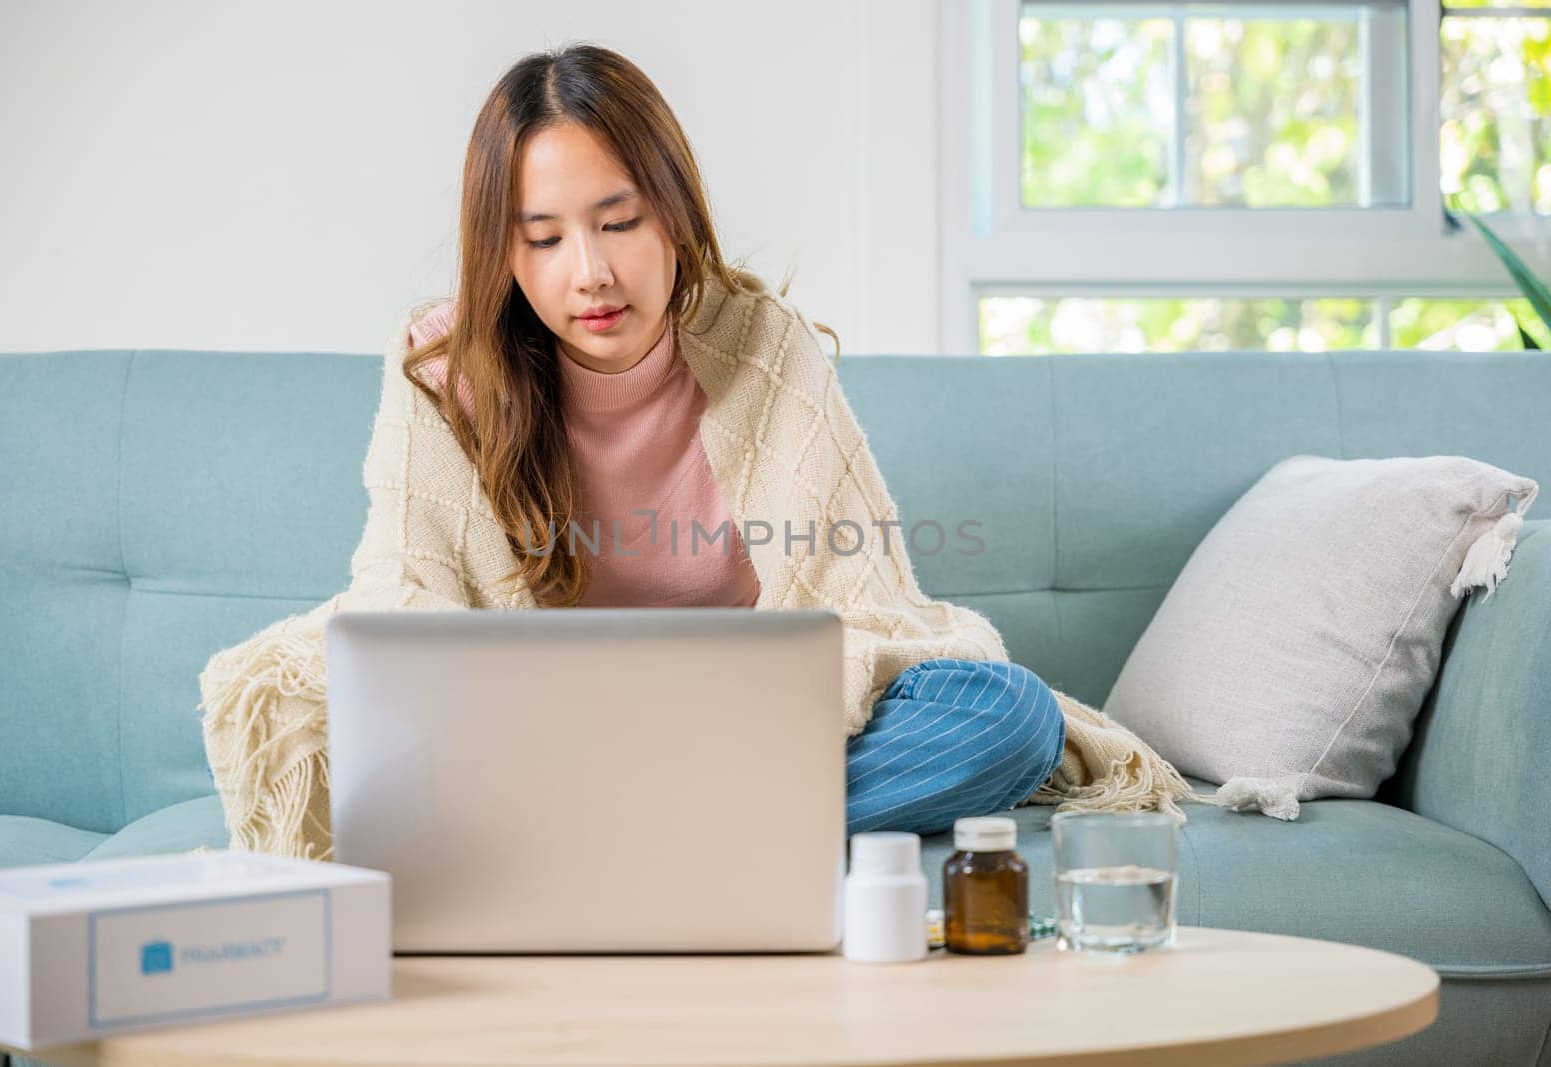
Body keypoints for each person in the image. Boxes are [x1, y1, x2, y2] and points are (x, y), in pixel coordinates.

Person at [199, 43, 1206, 861]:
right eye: (540, 237)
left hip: (746, 734)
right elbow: (401, 597)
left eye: (617, 221)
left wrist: (709, 735)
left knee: (1004, 713)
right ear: (500, 250)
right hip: (542, 737)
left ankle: (601, 844)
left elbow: (866, 610)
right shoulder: (440, 368)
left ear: (671, 211)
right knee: (328, 720)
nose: (587, 272)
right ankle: (685, 838)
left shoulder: (765, 349)